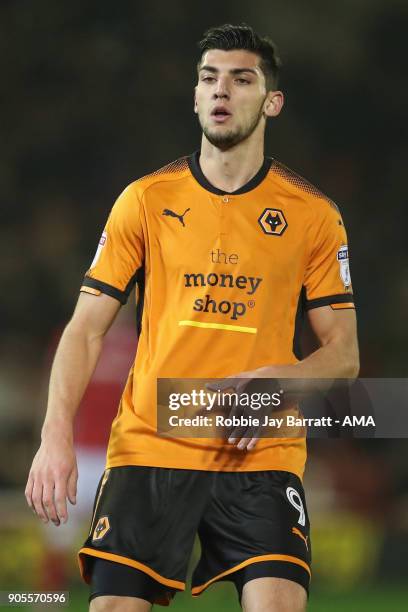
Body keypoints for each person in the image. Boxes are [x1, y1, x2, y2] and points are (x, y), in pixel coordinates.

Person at [25, 23, 359, 612]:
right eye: (210, 78)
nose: (221, 91)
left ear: (271, 101)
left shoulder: (313, 216)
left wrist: (281, 381)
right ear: (196, 95)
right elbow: (85, 328)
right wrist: (54, 436)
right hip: (153, 448)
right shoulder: (145, 202)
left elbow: (344, 356)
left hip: (260, 452)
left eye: (241, 78)